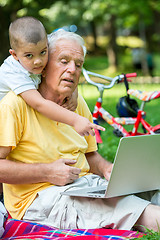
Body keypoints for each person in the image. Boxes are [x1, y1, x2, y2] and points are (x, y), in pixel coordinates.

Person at [0, 29, 160, 232]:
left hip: (85, 185)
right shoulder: (14, 105)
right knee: (134, 210)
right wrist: (47, 171)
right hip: (40, 199)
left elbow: (90, 154)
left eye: (78, 64)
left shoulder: (76, 103)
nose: (72, 70)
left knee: (151, 189)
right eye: (64, 61)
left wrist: (106, 169)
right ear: (44, 66)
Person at [0, 16, 104, 137]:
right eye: (29, 55)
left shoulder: (31, 62)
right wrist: (75, 120)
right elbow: (39, 104)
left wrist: (73, 93)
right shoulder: (13, 73)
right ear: (14, 55)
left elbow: (68, 72)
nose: (38, 61)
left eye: (43, 52)